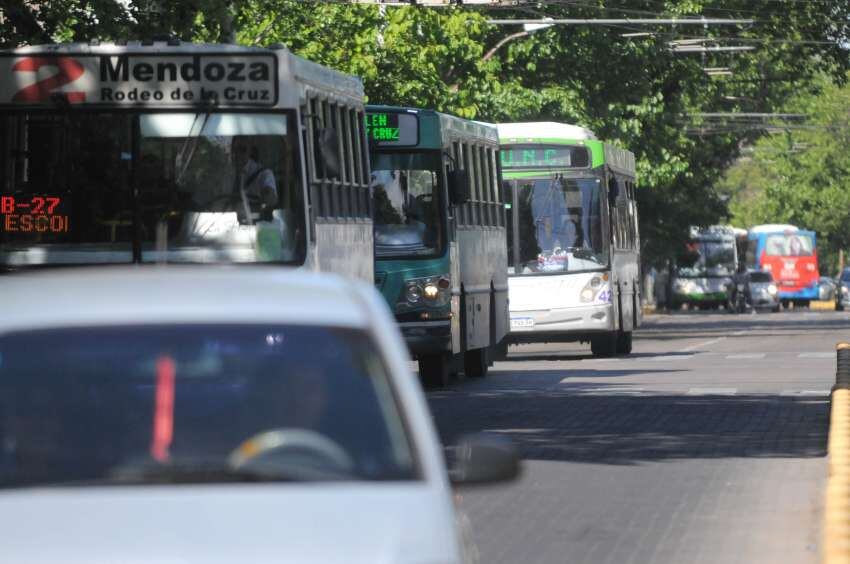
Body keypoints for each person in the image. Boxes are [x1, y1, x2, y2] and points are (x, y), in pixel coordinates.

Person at [231, 138, 277, 208]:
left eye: (243, 149)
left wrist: (268, 195)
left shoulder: (263, 173)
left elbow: (271, 197)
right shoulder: (225, 171)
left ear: (250, 151)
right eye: (234, 150)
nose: (237, 154)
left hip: (254, 217)